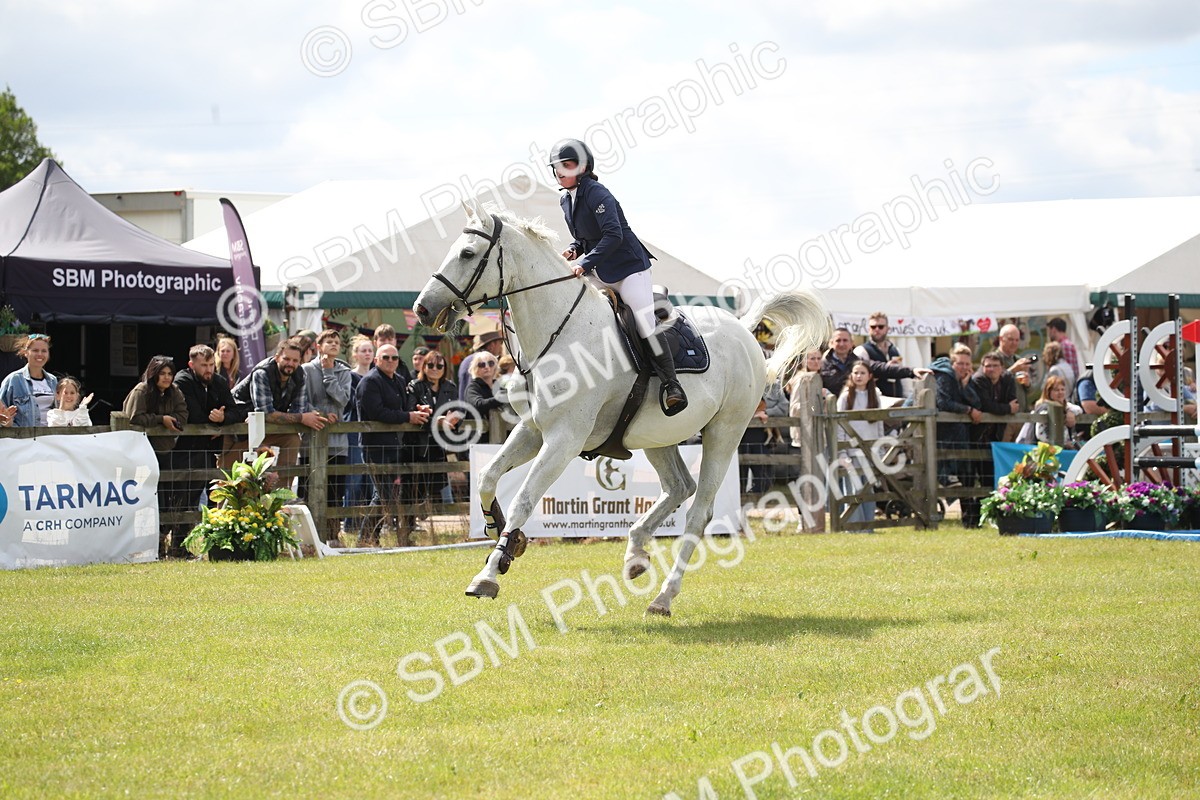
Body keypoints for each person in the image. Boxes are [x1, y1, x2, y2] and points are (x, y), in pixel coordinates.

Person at [549, 137, 687, 415]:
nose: (560, 171)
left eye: (568, 165)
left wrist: (586, 262)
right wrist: (574, 249)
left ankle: (672, 385)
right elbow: (585, 237)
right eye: (557, 167)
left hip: (628, 269)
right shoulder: (566, 199)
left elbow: (614, 235)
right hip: (600, 269)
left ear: (584, 167)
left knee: (644, 321)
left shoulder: (598, 193)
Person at [356, 343, 431, 545]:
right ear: (376, 360)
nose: (391, 361)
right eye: (386, 357)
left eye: (394, 358)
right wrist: (409, 416)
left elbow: (404, 404)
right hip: (375, 445)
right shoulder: (369, 382)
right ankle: (366, 537)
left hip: (395, 445)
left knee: (384, 494)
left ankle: (370, 538)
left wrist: (417, 408)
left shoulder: (398, 379)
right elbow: (378, 413)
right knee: (383, 494)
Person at [222, 337, 335, 471]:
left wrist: (308, 415)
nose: (290, 364)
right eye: (286, 359)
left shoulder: (300, 375)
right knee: (227, 479)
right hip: (238, 427)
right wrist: (302, 418)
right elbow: (265, 413)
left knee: (292, 439)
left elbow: (298, 409)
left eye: (295, 361)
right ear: (277, 358)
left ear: (300, 362)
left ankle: (282, 488)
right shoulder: (262, 372)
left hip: (266, 427)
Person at [123, 356, 189, 556]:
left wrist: (172, 421)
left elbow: (183, 415)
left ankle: (163, 544)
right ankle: (147, 546)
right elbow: (134, 417)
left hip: (166, 451)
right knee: (145, 501)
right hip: (141, 452)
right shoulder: (141, 390)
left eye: (170, 374)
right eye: (162, 373)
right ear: (154, 373)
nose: (167, 378)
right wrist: (162, 419)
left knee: (166, 500)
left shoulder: (174, 391)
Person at [174, 344, 247, 514]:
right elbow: (193, 415)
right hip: (184, 449)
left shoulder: (219, 381)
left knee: (214, 494)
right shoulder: (182, 380)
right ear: (192, 365)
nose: (209, 370)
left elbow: (235, 410)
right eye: (204, 366)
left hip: (209, 449)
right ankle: (173, 536)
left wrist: (223, 418)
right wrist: (217, 421)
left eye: (211, 365)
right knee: (181, 498)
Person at [302, 330, 353, 541]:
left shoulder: (344, 371)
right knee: (309, 491)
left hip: (337, 443)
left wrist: (329, 373)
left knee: (335, 493)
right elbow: (302, 401)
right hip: (310, 441)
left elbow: (343, 400)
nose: (333, 345)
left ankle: (332, 536)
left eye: (336, 342)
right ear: (318, 345)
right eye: (329, 342)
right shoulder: (305, 370)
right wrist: (321, 414)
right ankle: (309, 537)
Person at [407, 351, 461, 508]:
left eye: (439, 366)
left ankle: (447, 514)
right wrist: (434, 422)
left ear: (444, 368)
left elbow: (459, 410)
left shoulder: (450, 387)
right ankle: (415, 519)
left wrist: (454, 420)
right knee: (417, 486)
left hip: (441, 444)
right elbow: (411, 412)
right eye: (430, 365)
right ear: (423, 367)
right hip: (419, 444)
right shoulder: (415, 386)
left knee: (440, 481)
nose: (435, 369)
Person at [969, 352, 1019, 516]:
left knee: (990, 478)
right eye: (987, 366)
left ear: (1002, 368)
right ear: (982, 367)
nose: (991, 369)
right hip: (975, 435)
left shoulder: (1008, 379)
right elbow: (986, 404)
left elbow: (1014, 402)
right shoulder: (978, 379)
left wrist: (1005, 408)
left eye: (995, 366)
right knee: (970, 478)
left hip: (995, 436)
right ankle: (970, 517)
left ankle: (986, 515)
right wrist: (1006, 408)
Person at [820, 327, 928, 397]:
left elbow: (884, 368)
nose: (842, 344)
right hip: (830, 415)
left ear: (852, 343)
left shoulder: (858, 362)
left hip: (854, 413)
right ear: (831, 343)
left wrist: (912, 371)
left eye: (845, 340)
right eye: (838, 340)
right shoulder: (821, 363)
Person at [930, 345, 982, 487]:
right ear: (952, 363)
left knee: (961, 431)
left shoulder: (965, 377)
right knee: (957, 429)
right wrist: (969, 410)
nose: (963, 367)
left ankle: (952, 478)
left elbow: (978, 403)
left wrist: (965, 387)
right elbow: (943, 403)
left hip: (945, 427)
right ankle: (946, 476)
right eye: (960, 363)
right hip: (925, 423)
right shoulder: (944, 375)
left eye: (967, 364)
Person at [344, 334, 376, 515]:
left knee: (373, 479)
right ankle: (349, 521)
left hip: (374, 432)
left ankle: (373, 521)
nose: (367, 354)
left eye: (370, 350)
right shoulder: (349, 376)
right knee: (354, 477)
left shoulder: (377, 375)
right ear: (355, 355)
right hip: (354, 430)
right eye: (363, 351)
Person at [0, 333, 58, 428]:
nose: (40, 354)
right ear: (26, 353)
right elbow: (2, 415)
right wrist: (6, 422)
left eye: (44, 351)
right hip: (24, 440)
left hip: (50, 438)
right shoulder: (13, 380)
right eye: (35, 350)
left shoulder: (53, 381)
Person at [1018, 375, 1083, 447]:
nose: (1060, 392)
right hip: (1042, 449)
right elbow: (1040, 434)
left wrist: (1070, 412)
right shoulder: (1044, 407)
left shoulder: (1065, 405)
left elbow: (1079, 409)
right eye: (1056, 390)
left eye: (1062, 389)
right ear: (1048, 392)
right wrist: (1063, 444)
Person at [853, 312, 904, 397]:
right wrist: (885, 370)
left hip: (897, 399)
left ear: (887, 329)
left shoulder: (895, 350)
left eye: (881, 327)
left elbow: (902, 376)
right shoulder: (861, 351)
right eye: (873, 327)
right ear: (868, 329)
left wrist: (905, 395)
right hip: (873, 401)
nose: (877, 329)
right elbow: (858, 378)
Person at [458, 330, 504, 401]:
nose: (501, 347)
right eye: (500, 343)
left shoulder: (467, 360)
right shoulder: (480, 361)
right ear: (492, 345)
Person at [465, 351, 505, 418]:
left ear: (495, 367)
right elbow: (478, 405)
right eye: (482, 365)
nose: (487, 367)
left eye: (491, 363)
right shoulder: (473, 387)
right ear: (476, 369)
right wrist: (499, 399)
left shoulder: (499, 387)